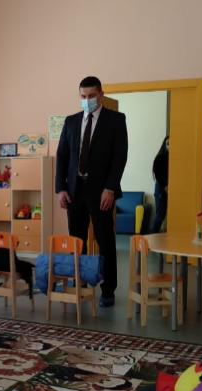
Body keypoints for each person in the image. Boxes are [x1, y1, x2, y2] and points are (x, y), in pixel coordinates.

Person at [55, 76, 128, 308]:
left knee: (105, 240)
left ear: (101, 94)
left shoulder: (116, 120)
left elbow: (119, 157)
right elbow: (62, 156)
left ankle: (108, 289)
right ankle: (80, 282)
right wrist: (60, 188)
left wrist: (111, 188)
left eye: (91, 96)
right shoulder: (71, 122)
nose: (87, 100)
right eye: (83, 96)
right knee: (77, 241)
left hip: (102, 192)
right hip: (74, 191)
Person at [151, 136, 169, 233]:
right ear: (164, 145)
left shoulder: (175, 158)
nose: (170, 146)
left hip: (168, 187)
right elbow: (157, 174)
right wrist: (165, 186)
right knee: (160, 214)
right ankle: (152, 236)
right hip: (161, 188)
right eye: (168, 144)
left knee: (163, 213)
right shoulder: (160, 157)